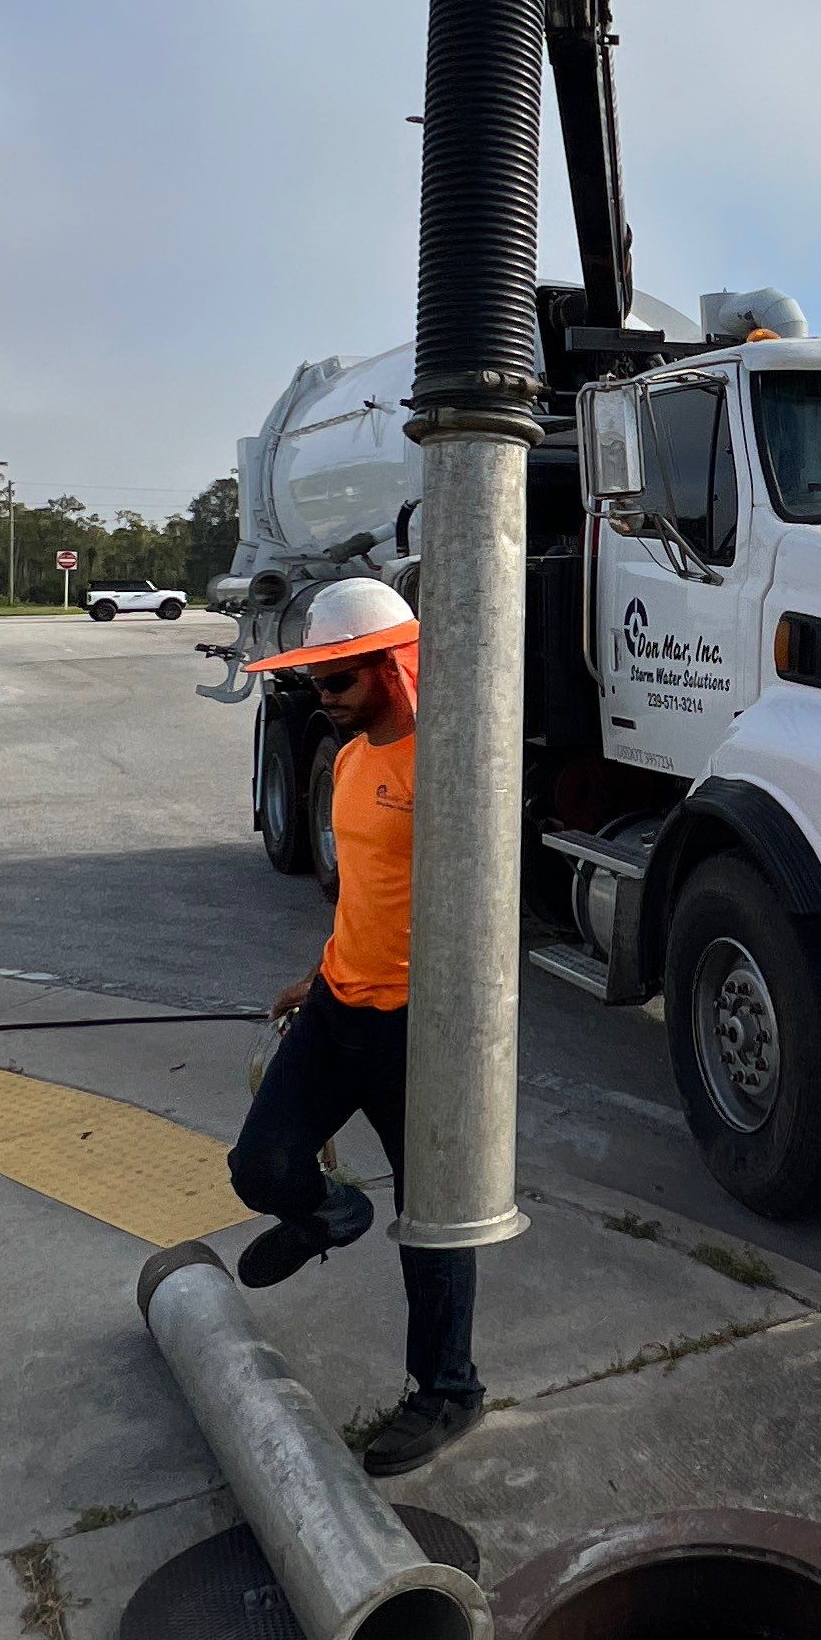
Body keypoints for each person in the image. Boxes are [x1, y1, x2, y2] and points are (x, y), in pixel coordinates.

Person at [224, 575, 486, 1480]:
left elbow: (479, 911)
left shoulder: (449, 771)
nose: (324, 702)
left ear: (395, 668)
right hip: (339, 1005)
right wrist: (316, 974)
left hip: (419, 1031)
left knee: (437, 1221)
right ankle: (333, 1213)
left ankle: (447, 1389)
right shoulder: (346, 762)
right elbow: (364, 894)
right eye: (316, 685)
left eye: (340, 681)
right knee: (261, 1168)